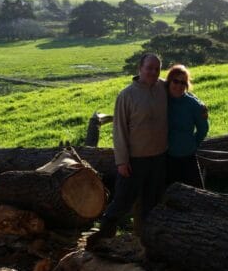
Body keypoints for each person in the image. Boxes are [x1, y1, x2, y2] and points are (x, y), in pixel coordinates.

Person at [87, 53, 167, 245]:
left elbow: (183, 92)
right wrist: (122, 161)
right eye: (149, 68)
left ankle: (145, 240)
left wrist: (200, 106)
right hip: (134, 160)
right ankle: (103, 236)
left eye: (157, 68)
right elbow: (119, 130)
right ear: (139, 69)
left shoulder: (163, 87)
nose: (153, 72)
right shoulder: (126, 95)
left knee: (151, 202)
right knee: (123, 200)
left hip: (159, 158)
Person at [165, 64, 209, 188]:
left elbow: (203, 128)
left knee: (197, 195)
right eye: (175, 81)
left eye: (183, 83)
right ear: (169, 81)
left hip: (188, 157)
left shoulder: (193, 104)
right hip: (166, 157)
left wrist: (193, 144)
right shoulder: (162, 99)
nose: (179, 85)